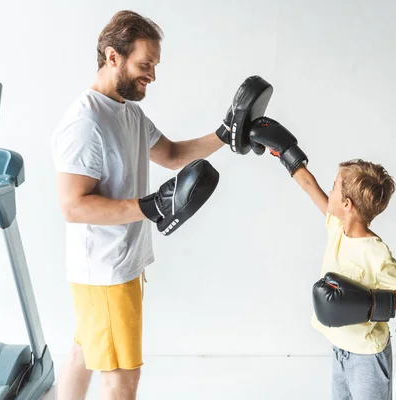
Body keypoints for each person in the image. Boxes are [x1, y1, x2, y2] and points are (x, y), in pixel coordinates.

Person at [50, 10, 271, 400]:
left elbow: (170, 154)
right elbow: (73, 207)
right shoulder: (85, 122)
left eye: (154, 64)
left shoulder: (128, 111)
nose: (152, 74)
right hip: (105, 270)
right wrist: (152, 206)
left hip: (115, 264)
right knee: (121, 376)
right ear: (111, 56)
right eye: (144, 64)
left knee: (84, 349)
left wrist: (225, 134)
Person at [248, 117, 396, 400]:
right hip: (340, 350)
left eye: (335, 187)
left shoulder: (375, 251)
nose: (330, 189)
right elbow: (309, 185)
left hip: (368, 356)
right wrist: (285, 151)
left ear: (347, 205)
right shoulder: (336, 226)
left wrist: (366, 304)